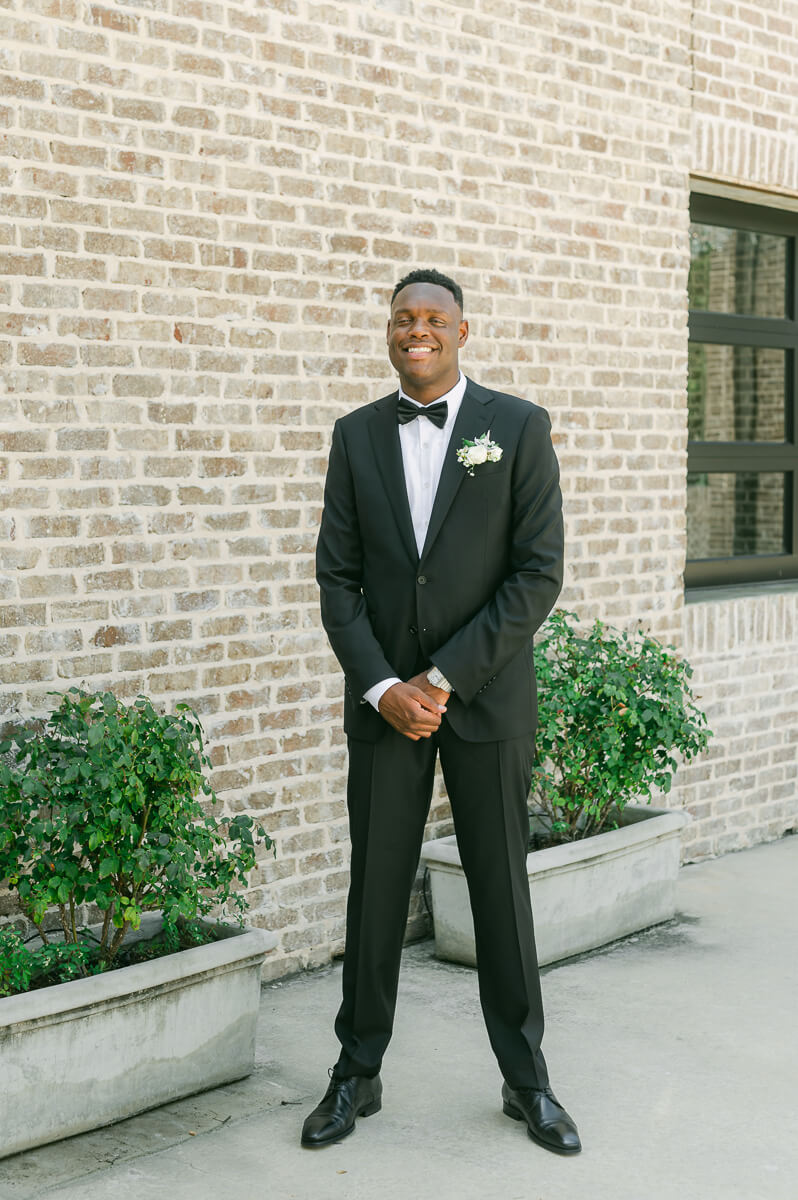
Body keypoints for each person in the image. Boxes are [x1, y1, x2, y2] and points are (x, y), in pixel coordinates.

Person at [306, 268, 580, 1155]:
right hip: (387, 706)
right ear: (389, 335)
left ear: (463, 332)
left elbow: (537, 573)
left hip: (486, 699)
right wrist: (386, 687)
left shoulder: (519, 427)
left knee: (500, 888)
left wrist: (445, 679)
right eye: (400, 320)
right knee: (374, 891)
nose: (414, 331)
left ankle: (527, 1079)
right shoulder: (354, 437)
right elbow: (336, 579)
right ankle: (357, 1073)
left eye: (432, 319)